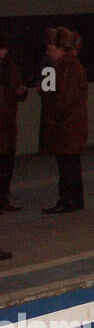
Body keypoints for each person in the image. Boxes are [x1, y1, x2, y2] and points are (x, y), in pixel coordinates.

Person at [39, 26, 88, 214]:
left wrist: (55, 118)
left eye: (50, 48)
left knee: (67, 166)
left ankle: (68, 200)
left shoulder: (66, 67)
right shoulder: (64, 66)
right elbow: (47, 90)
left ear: (59, 48)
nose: (48, 51)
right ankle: (74, 200)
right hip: (69, 124)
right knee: (70, 165)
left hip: (65, 125)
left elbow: (57, 96)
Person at [0, 29, 27, 212]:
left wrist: (21, 92)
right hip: (5, 122)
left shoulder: (11, 68)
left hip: (7, 122)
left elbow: (18, 88)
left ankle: (3, 198)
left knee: (7, 163)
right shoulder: (10, 68)